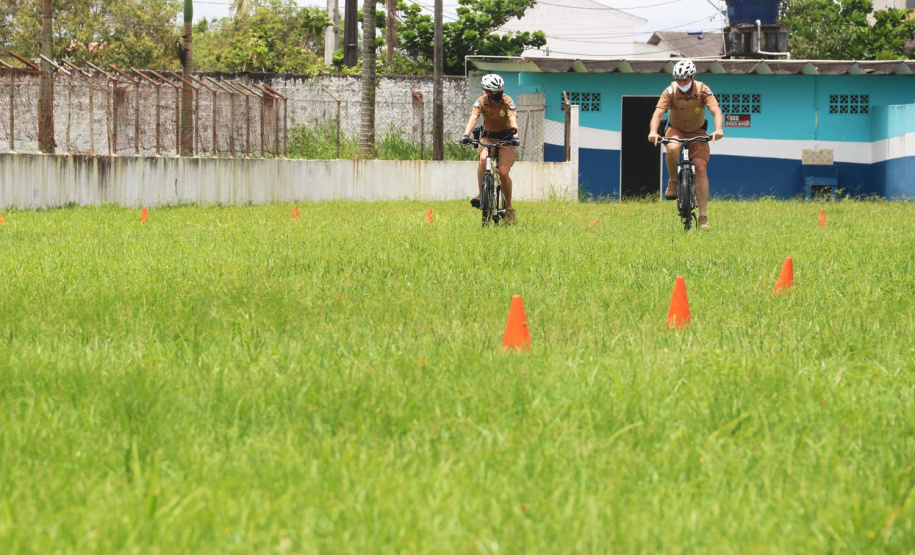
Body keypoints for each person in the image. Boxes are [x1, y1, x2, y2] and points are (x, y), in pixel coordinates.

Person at [648, 59, 724, 230]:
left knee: (701, 167)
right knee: (673, 147)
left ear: (693, 77)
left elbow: (715, 110)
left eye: (685, 79)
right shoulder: (670, 91)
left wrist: (718, 129)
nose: (681, 83)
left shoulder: (703, 89)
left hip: (697, 131)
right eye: (679, 80)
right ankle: (673, 181)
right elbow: (658, 113)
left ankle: (703, 217)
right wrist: (653, 132)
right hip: (675, 129)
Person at [461, 74, 521, 224]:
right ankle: (482, 195)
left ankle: (509, 209)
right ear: (486, 91)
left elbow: (513, 119)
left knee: (503, 172)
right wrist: (466, 134)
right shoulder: (480, 102)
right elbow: (473, 118)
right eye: (493, 92)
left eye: (499, 91)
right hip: (488, 137)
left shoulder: (507, 101)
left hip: (506, 139)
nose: (497, 94)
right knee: (483, 160)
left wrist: (515, 136)